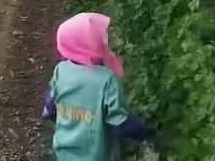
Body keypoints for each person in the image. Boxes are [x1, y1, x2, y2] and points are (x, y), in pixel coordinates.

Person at [42, 12, 151, 160]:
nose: (105, 41)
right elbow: (119, 122)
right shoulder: (106, 79)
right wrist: (145, 133)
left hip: (64, 151)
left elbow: (50, 106)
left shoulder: (61, 70)